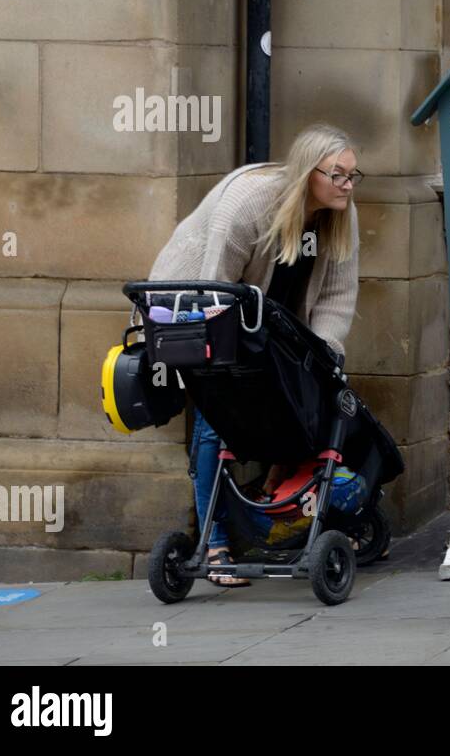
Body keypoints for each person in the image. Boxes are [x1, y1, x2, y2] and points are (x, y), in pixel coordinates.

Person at [148, 123, 362, 585]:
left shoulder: (340, 212)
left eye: (352, 175)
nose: (348, 185)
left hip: (270, 322)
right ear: (310, 174)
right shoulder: (248, 205)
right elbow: (214, 288)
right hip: (197, 311)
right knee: (215, 424)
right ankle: (217, 544)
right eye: (339, 175)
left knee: (304, 398)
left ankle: (274, 504)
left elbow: (337, 298)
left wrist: (323, 355)